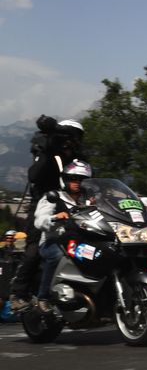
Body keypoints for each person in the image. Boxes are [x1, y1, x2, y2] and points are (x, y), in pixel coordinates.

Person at [10, 116, 85, 312]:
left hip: (70, 201)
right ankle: (19, 294)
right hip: (44, 201)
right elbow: (33, 176)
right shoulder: (47, 150)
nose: (75, 140)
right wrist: (49, 152)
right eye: (72, 136)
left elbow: (91, 179)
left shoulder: (77, 157)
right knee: (34, 248)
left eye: (78, 137)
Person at [33, 160, 92, 312]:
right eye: (73, 178)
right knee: (58, 255)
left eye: (81, 179)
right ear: (65, 179)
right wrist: (55, 218)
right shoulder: (53, 197)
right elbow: (39, 221)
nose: (77, 182)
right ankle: (43, 297)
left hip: (80, 242)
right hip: (53, 242)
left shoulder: (88, 200)